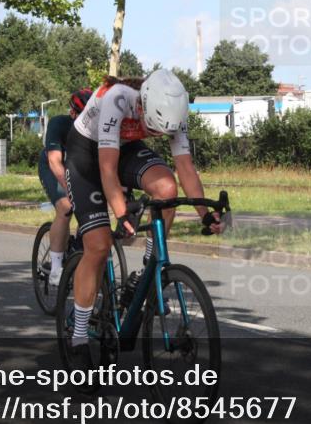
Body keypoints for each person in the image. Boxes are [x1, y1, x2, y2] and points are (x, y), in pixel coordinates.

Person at [63, 70, 225, 358]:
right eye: (156, 130)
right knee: (99, 246)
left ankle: (150, 266)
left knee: (166, 188)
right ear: (143, 106)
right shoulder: (118, 99)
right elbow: (107, 170)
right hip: (85, 154)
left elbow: (185, 168)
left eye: (165, 133)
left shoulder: (176, 112)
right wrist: (122, 213)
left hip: (124, 149)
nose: (161, 136)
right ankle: (77, 337)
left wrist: (204, 213)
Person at [38, 88, 91, 287]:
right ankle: (57, 268)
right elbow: (54, 161)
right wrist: (71, 190)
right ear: (73, 113)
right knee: (66, 206)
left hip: (78, 169)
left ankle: (78, 246)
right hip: (54, 167)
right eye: (84, 116)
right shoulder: (59, 124)